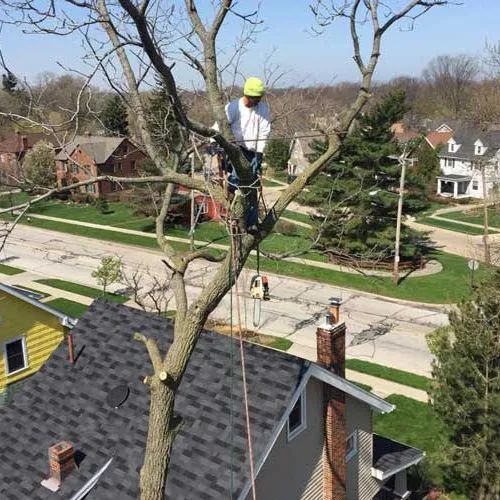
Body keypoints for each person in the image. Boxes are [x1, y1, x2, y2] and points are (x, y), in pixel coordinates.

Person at [214, 77, 271, 231]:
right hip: (236, 150)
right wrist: (214, 142)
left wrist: (259, 154)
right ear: (248, 95)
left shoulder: (262, 109)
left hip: (253, 152)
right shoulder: (233, 108)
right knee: (237, 182)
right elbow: (218, 126)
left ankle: (251, 223)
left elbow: (264, 132)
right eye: (256, 98)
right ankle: (236, 217)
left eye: (260, 98)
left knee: (252, 186)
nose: (258, 101)